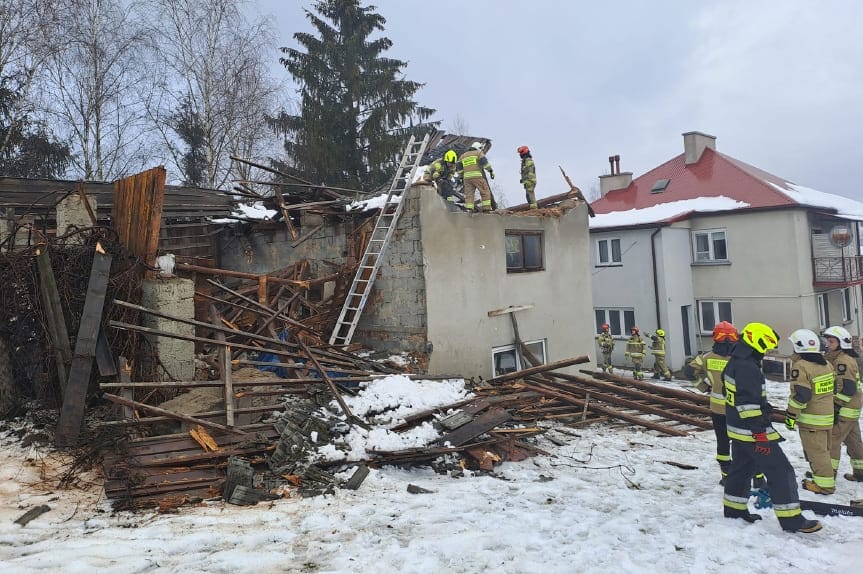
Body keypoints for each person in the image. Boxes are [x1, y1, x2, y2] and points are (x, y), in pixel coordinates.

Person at [722, 322, 821, 533]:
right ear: (756, 342)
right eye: (765, 347)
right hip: (752, 432)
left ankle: (734, 510)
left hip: (737, 428)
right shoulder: (748, 368)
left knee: (741, 470)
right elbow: (748, 405)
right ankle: (792, 520)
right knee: (781, 471)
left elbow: (730, 394)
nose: (766, 352)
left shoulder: (735, 362)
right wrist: (760, 435)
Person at [688, 321, 744, 485]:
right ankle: (752, 475)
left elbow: (689, 372)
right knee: (743, 441)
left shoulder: (706, 358)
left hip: (718, 408)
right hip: (740, 409)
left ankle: (726, 476)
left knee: (723, 441)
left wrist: (704, 387)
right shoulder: (741, 357)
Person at [786, 328, 836, 495]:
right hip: (826, 417)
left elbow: (801, 396)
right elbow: (834, 388)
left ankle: (824, 486)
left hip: (811, 421)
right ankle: (822, 477)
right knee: (823, 451)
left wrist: (791, 416)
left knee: (816, 453)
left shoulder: (801, 366)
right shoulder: (826, 364)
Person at [822, 326, 863, 481]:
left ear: (842, 343)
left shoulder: (842, 361)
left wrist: (836, 406)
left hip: (844, 409)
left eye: (832, 341)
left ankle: (827, 475)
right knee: (854, 442)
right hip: (852, 409)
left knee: (832, 441)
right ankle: (860, 472)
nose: (828, 344)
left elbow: (848, 388)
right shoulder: (845, 358)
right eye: (828, 341)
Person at [457, 142, 495, 213]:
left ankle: (469, 209)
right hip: (477, 177)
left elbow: (459, 168)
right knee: (485, 191)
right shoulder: (478, 153)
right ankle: (486, 209)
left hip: (467, 179)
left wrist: (461, 177)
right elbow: (485, 163)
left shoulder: (463, 156)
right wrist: (490, 171)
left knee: (469, 194)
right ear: (478, 148)